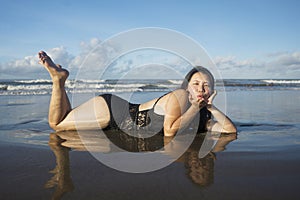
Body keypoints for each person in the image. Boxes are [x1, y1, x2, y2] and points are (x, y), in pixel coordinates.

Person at [38, 51, 236, 137]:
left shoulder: (201, 115)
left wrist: (210, 107)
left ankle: (60, 81)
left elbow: (229, 131)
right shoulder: (180, 96)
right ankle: (58, 80)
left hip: (114, 122)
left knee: (64, 118)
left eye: (206, 85)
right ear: (187, 86)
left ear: (212, 90)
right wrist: (195, 107)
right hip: (113, 112)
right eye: (196, 83)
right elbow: (169, 132)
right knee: (57, 125)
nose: (201, 89)